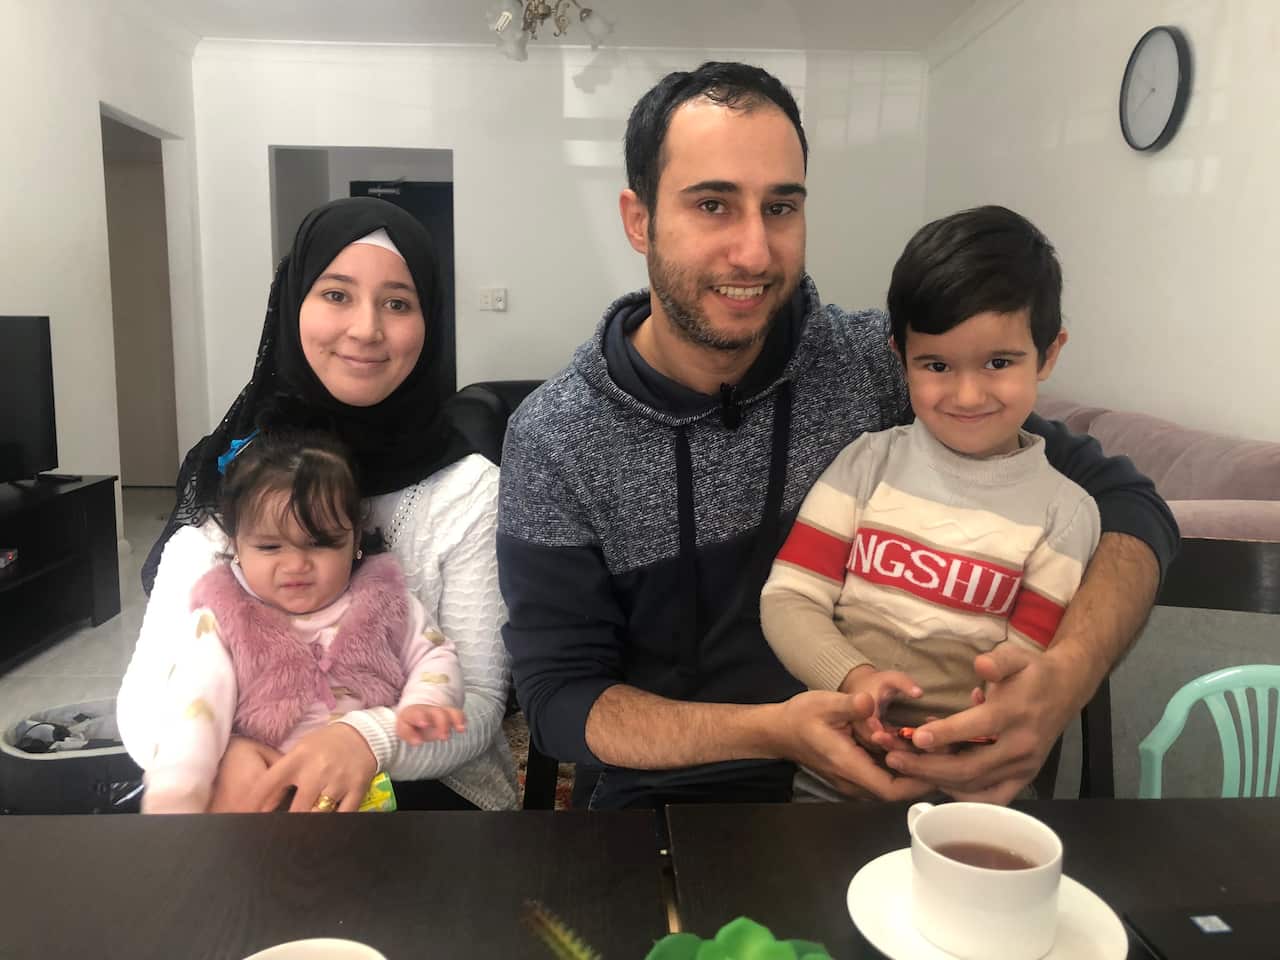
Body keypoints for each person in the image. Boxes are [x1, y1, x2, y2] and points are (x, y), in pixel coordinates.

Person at [498, 62, 1178, 811]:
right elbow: (561, 698)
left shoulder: (884, 371)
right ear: (638, 219)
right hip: (665, 811)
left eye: (781, 207)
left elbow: (1126, 503)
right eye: (713, 205)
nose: (755, 252)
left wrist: (1065, 680)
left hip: (898, 796)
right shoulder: (557, 437)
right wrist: (773, 732)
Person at [120, 198, 517, 813]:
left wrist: (366, 739)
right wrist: (217, 756)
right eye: (336, 295)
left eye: (397, 303)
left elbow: (483, 704)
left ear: (429, 321)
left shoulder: (465, 488)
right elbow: (147, 697)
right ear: (292, 305)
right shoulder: (237, 470)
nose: (366, 329)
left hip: (426, 795)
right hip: (240, 792)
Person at [761, 205, 1100, 801]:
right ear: (901, 357)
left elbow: (1026, 668)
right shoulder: (865, 464)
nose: (967, 395)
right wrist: (854, 678)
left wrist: (963, 742)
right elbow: (790, 598)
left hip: (973, 791)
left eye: (999, 362)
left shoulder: (1066, 514)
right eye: (937, 365)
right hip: (831, 778)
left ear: (1048, 354)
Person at [143, 430, 468, 813]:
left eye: (320, 543)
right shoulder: (225, 618)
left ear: (356, 539)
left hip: (365, 791)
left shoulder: (385, 602)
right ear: (236, 545)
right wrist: (178, 789)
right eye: (269, 546)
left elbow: (434, 656)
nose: (296, 565)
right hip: (262, 794)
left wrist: (424, 703)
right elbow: (196, 705)